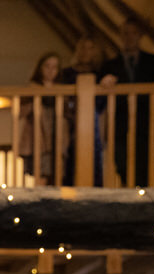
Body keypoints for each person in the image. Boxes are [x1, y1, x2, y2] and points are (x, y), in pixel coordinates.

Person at [100, 18, 154, 187]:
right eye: (125, 33)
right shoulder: (110, 65)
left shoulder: (153, 61)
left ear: (140, 36)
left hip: (145, 124)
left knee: (145, 167)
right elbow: (100, 94)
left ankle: (142, 199)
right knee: (122, 165)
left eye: (133, 33)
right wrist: (104, 82)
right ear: (120, 36)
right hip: (120, 126)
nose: (129, 37)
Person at [59, 34, 105, 187]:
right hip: (69, 125)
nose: (86, 52)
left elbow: (102, 104)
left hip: (93, 127)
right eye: (82, 48)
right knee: (70, 162)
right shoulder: (66, 74)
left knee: (93, 160)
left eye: (90, 48)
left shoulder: (100, 74)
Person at [19, 52, 61, 185]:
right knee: (41, 173)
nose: (50, 71)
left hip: (57, 134)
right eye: (47, 66)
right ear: (40, 68)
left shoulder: (63, 89)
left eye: (54, 67)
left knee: (56, 173)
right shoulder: (31, 89)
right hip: (39, 138)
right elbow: (21, 112)